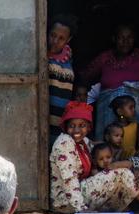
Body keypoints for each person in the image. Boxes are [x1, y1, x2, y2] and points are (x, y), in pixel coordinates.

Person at [49, 101, 139, 213]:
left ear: (88, 127)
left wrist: (133, 169)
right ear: (66, 127)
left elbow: (105, 158)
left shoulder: (84, 142)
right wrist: (81, 209)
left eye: (82, 125)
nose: (77, 130)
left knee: (124, 173)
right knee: (122, 174)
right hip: (66, 202)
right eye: (72, 126)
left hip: (80, 196)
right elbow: (69, 180)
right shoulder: (65, 142)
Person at [79, 23, 139, 143]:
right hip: (108, 107)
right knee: (106, 142)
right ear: (114, 39)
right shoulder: (105, 58)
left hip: (137, 106)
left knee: (137, 140)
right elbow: (85, 76)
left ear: (134, 39)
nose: (125, 41)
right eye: (121, 38)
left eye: (130, 37)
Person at [47, 15, 78, 147]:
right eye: (53, 35)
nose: (55, 41)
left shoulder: (68, 58)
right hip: (41, 116)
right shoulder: (40, 55)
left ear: (68, 40)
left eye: (61, 38)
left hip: (60, 120)